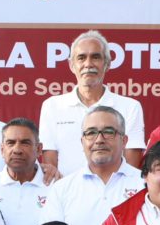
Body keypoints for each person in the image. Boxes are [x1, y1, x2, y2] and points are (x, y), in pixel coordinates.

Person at [41, 106, 144, 225]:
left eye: (108, 132)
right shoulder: (62, 188)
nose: (99, 139)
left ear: (124, 140)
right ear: (82, 142)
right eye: (91, 133)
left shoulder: (145, 185)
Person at [39, 31, 146, 175]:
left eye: (95, 57)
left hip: (114, 189)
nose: (88, 64)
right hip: (66, 188)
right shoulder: (52, 106)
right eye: (81, 58)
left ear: (107, 64)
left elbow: (131, 170)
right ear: (72, 65)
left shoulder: (130, 107)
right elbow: (50, 168)